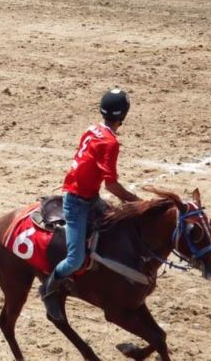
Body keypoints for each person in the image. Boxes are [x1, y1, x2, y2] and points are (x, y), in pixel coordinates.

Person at [40, 88, 140, 321]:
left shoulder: (92, 129)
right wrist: (135, 201)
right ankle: (49, 289)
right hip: (77, 203)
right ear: (123, 114)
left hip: (86, 196)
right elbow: (112, 186)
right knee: (74, 259)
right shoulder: (110, 143)